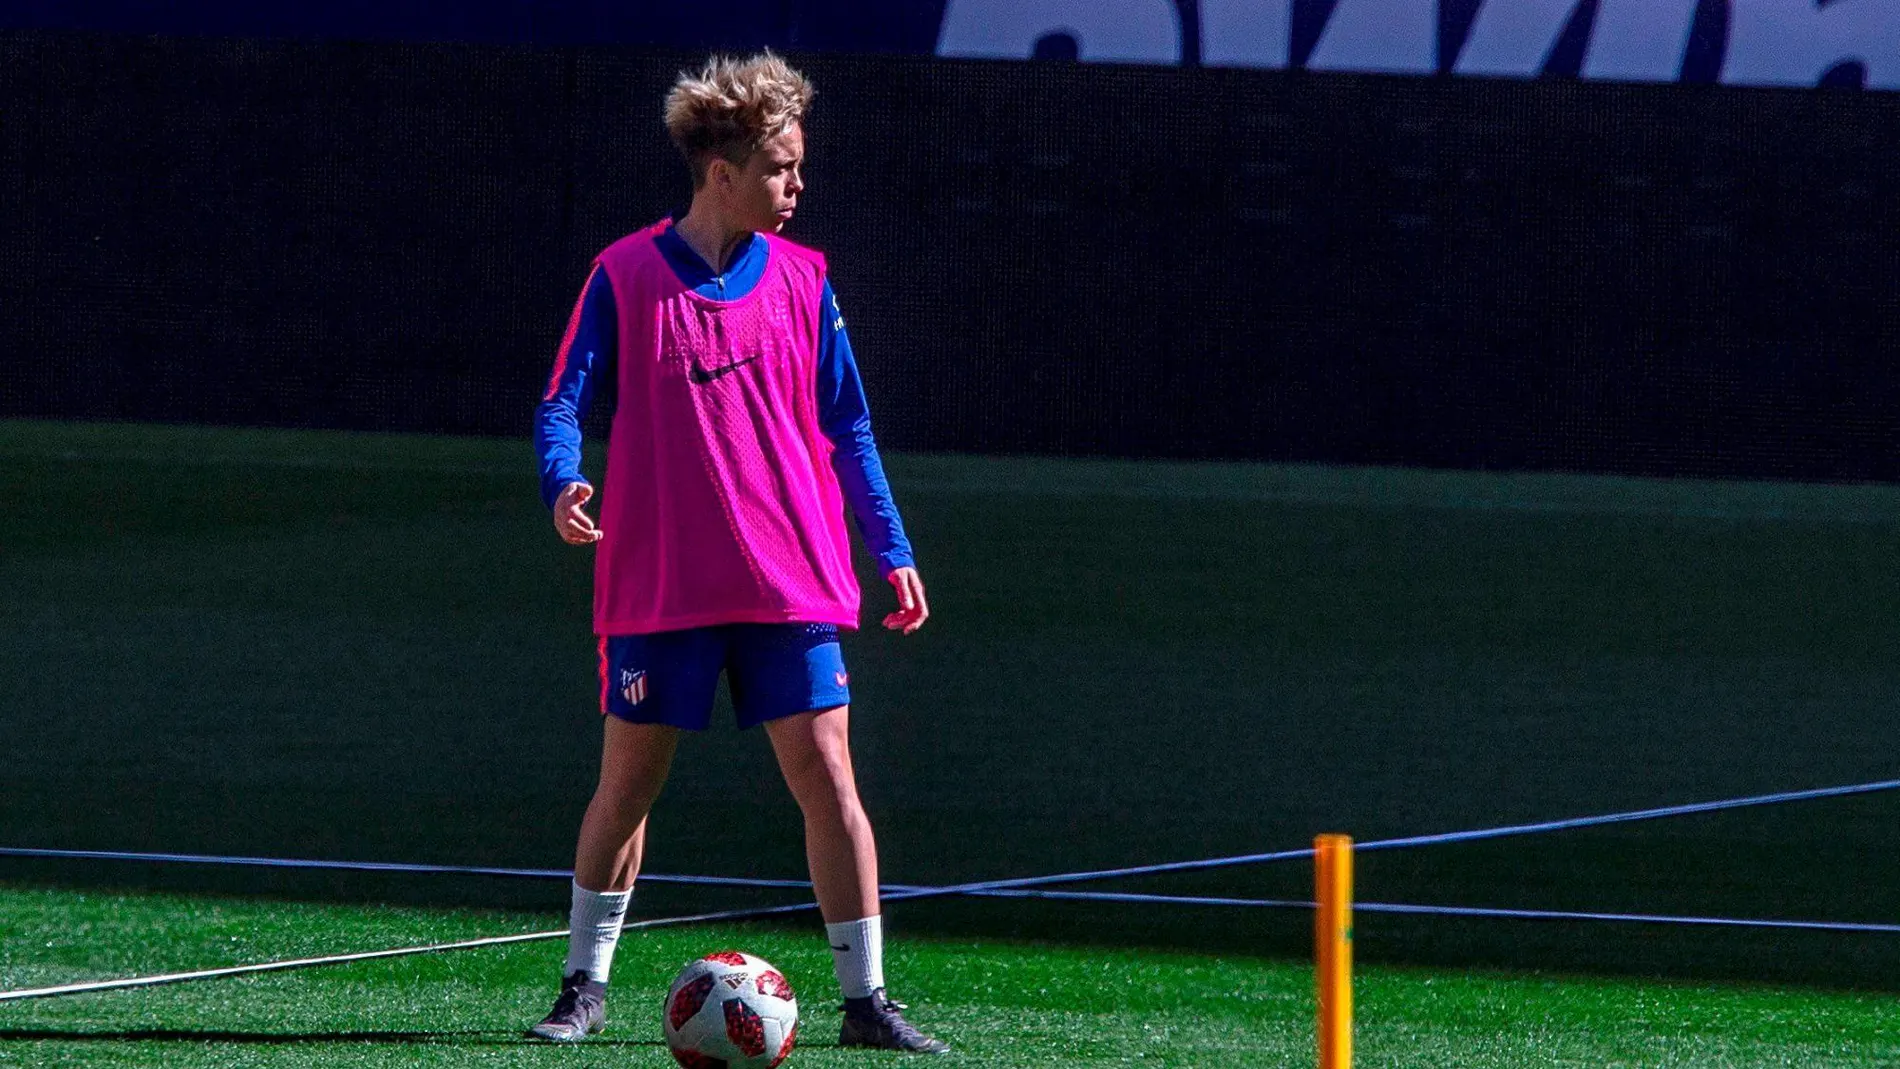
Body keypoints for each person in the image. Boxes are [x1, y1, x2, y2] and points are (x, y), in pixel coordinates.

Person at [526, 51, 948, 1054]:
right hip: (660, 578)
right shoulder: (624, 274)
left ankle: (866, 1000)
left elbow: (848, 427)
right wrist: (562, 481)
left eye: (797, 169)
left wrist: (887, 545)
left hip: (790, 575)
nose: (796, 188)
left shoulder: (805, 282)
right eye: (780, 169)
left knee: (830, 775)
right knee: (627, 782)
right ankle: (583, 986)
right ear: (722, 171)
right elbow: (562, 400)